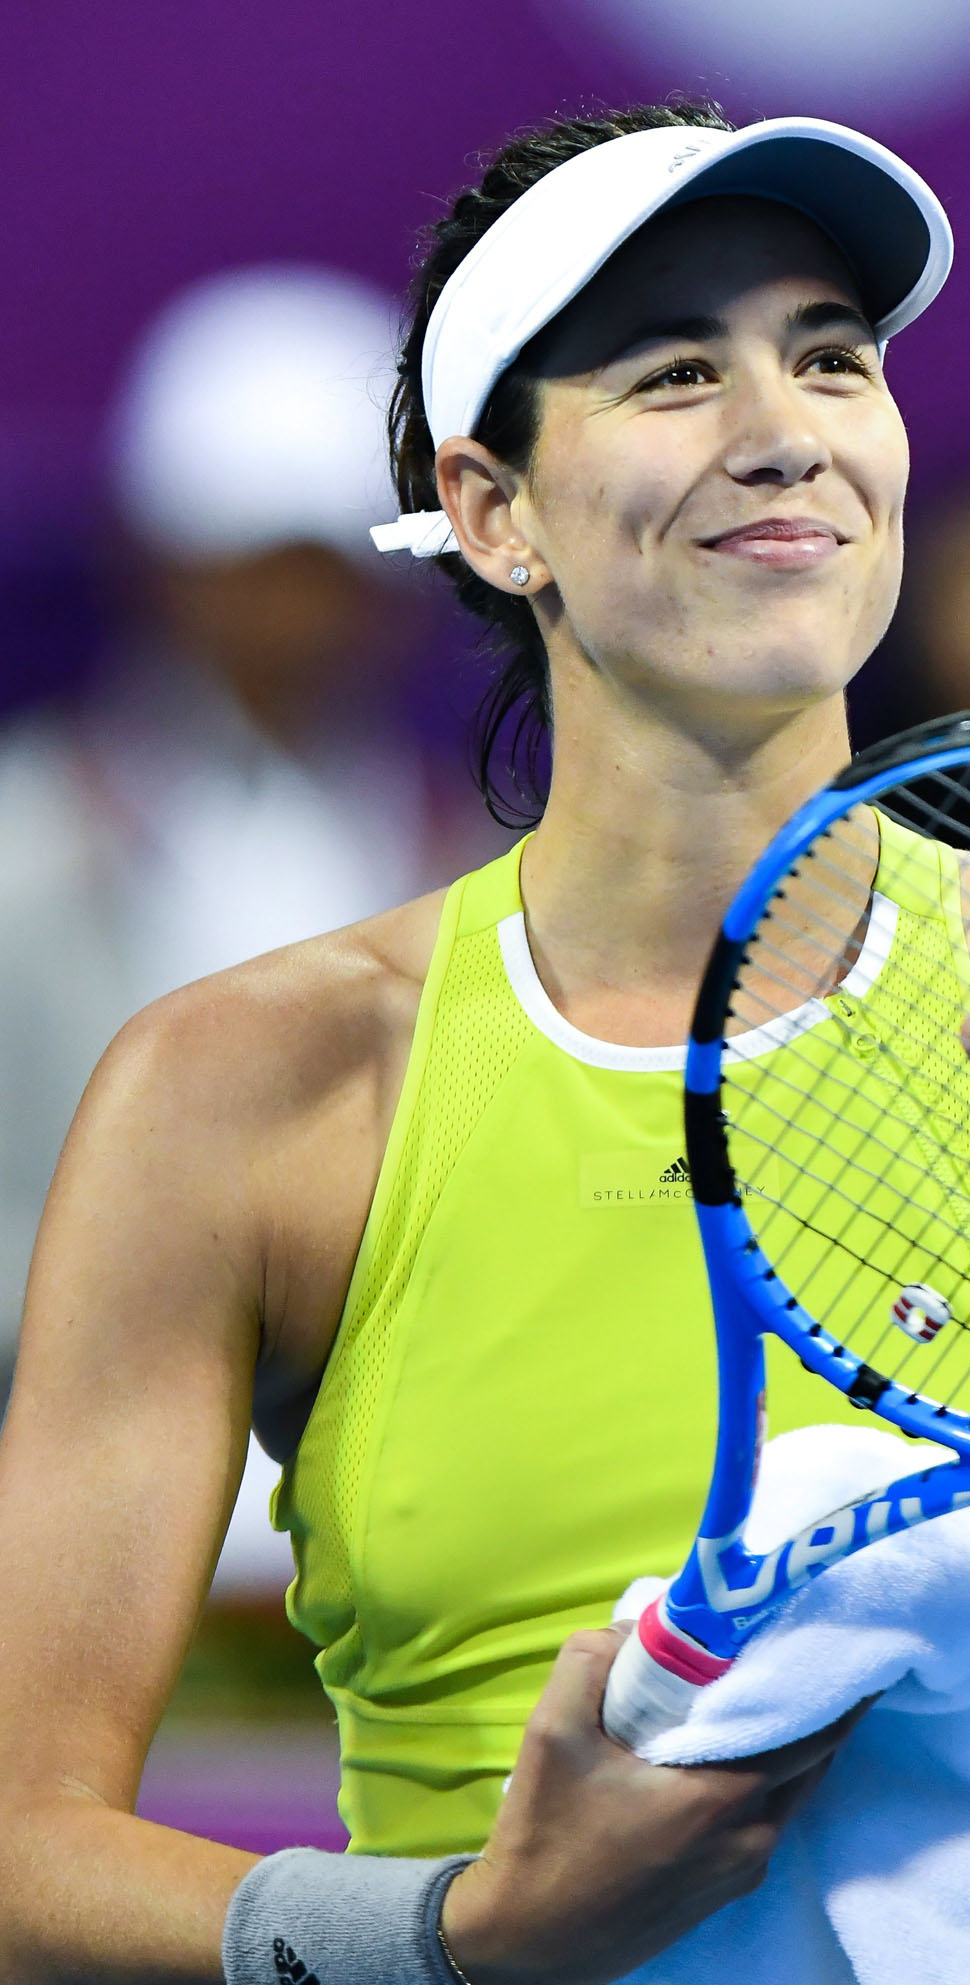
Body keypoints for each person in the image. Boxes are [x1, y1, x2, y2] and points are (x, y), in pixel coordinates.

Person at [0, 99, 970, 1985]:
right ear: (493, 511)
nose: (785, 427)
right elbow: (16, 1863)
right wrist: (462, 1942)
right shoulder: (248, 1087)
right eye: (670, 374)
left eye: (830, 357)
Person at [0, 267, 485, 1582]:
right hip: (74, 1544)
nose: (299, 613)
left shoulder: (479, 860)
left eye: (332, 568)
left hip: (410, 1559)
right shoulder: (24, 848)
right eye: (257, 564)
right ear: (162, 561)